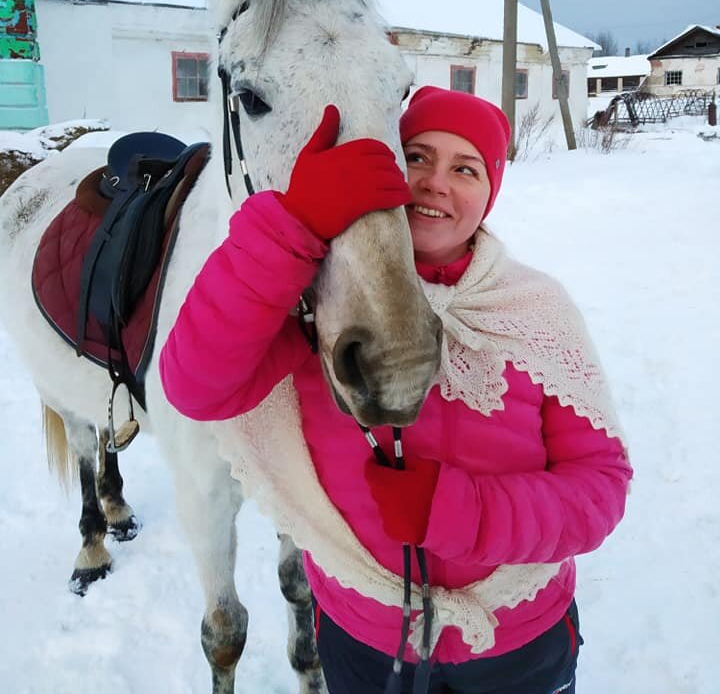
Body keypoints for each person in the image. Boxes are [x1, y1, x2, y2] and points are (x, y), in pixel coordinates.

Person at [161, 85, 632, 694]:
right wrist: (291, 226)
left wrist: (459, 512)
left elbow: (598, 490)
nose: (436, 181)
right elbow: (197, 386)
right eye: (416, 157)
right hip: (363, 638)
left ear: (490, 195)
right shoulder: (319, 301)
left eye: (465, 169)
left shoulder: (537, 308)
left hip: (518, 642)